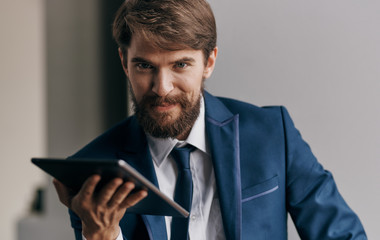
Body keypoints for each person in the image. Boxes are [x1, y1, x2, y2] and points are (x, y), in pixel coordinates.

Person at [53, 0, 367, 239]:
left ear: (209, 62)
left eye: (180, 65)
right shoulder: (94, 168)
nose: (162, 88)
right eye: (145, 66)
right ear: (124, 62)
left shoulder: (273, 134)